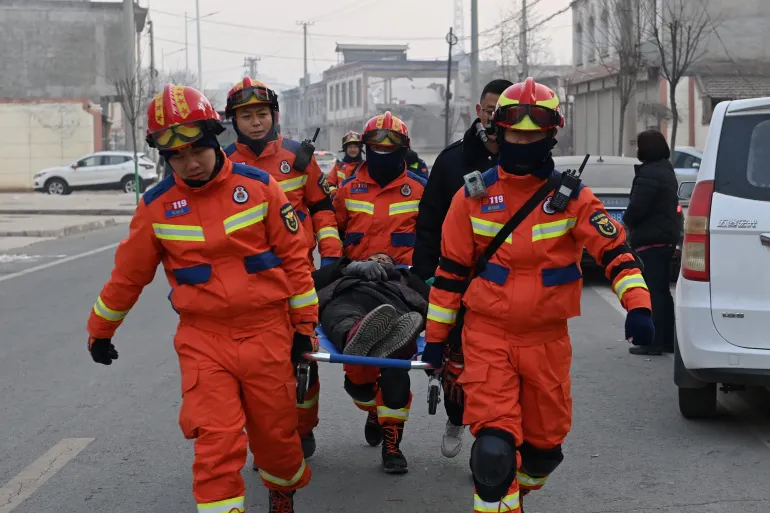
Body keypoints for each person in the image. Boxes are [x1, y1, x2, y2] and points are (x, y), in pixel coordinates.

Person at [422, 78, 655, 513]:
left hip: (546, 343)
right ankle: (500, 492)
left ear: (550, 135)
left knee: (543, 452)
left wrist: (638, 305)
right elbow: (450, 276)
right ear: (500, 133)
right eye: (516, 134)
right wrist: (435, 340)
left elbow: (616, 254)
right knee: (493, 454)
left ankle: (517, 487)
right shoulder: (472, 197)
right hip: (487, 338)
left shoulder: (573, 199)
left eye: (534, 136)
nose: (524, 143)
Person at [85, 84, 316, 513]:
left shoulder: (261, 188)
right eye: (177, 156)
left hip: (267, 334)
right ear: (164, 157)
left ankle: (282, 491)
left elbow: (296, 262)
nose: (190, 163)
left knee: (277, 441)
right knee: (216, 443)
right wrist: (100, 331)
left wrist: (304, 329)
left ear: (214, 140)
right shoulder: (156, 207)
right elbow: (128, 278)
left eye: (197, 151)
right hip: (204, 340)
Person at [223, 77, 339, 456]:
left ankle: (302, 429)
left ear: (274, 115)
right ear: (234, 121)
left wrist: (331, 256)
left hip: (297, 278)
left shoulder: (299, 158)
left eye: (261, 114)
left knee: (303, 357)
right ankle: (269, 441)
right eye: (246, 116)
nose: (255, 122)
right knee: (256, 369)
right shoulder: (223, 163)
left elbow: (323, 209)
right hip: (246, 284)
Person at [412, 78, 513, 458]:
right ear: (478, 112)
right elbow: (429, 222)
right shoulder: (452, 161)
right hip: (457, 281)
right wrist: (425, 274)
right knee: (455, 363)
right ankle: (456, 417)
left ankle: (492, 446)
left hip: (508, 289)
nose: (494, 119)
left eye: (503, 112)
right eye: (489, 111)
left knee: (500, 370)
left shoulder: (525, 163)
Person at [332, 111, 427, 474]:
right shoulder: (347, 190)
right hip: (356, 282)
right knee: (358, 380)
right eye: (376, 146)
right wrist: (346, 267)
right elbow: (332, 237)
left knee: (395, 363)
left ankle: (393, 443)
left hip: (401, 286)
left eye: (392, 146)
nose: (383, 152)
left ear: (404, 149)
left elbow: (434, 242)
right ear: (365, 148)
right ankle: (372, 407)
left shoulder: (420, 190)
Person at [623, 130, 680, 356]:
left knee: (653, 291)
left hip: (651, 239)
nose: (637, 150)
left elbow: (638, 207)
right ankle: (667, 340)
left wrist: (627, 221)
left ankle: (654, 342)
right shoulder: (665, 169)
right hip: (665, 238)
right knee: (662, 291)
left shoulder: (650, 173)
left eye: (639, 146)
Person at [316, 253, 428, 358]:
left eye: (386, 259)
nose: (380, 259)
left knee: (404, 318)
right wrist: (347, 268)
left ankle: (383, 340)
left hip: (392, 301)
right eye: (376, 257)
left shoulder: (404, 276)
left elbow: (429, 298)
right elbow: (314, 280)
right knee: (341, 313)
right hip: (349, 295)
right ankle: (355, 336)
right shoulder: (346, 269)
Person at [328, 131, 364, 195]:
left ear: (360, 149)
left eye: (355, 147)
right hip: (342, 200)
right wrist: (334, 193)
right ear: (345, 149)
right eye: (350, 147)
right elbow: (329, 184)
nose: (352, 150)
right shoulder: (339, 165)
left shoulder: (364, 166)